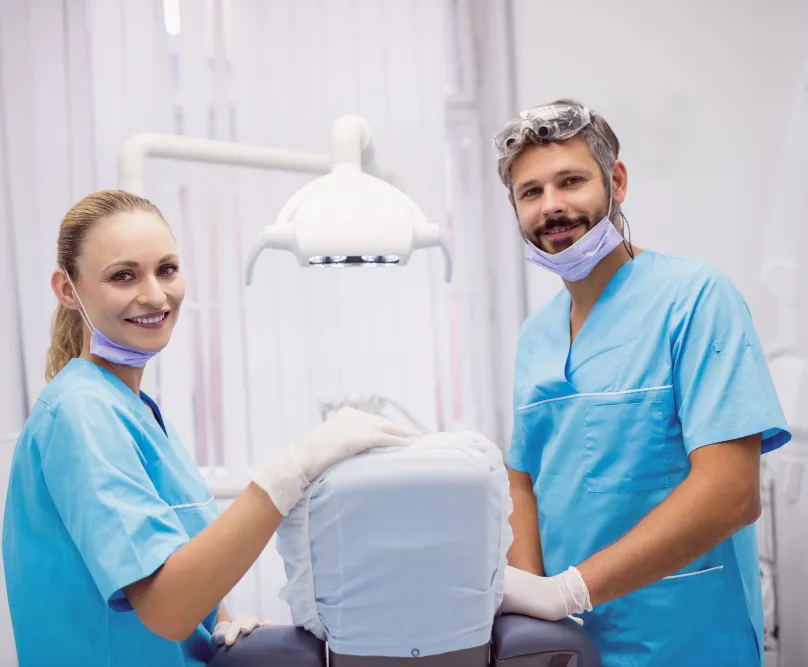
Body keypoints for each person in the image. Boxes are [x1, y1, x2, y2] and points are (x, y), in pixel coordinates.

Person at [2, 190, 418, 667]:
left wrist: (222, 621)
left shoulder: (131, 408)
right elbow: (167, 607)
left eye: (167, 269)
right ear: (65, 289)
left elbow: (173, 561)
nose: (156, 295)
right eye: (123, 276)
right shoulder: (79, 414)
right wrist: (290, 470)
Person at [492, 101, 790, 666]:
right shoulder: (537, 336)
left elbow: (731, 492)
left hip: (687, 640)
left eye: (571, 181)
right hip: (572, 645)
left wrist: (568, 591)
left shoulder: (696, 299)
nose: (551, 206)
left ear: (617, 182)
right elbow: (523, 480)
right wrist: (534, 609)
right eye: (530, 192)